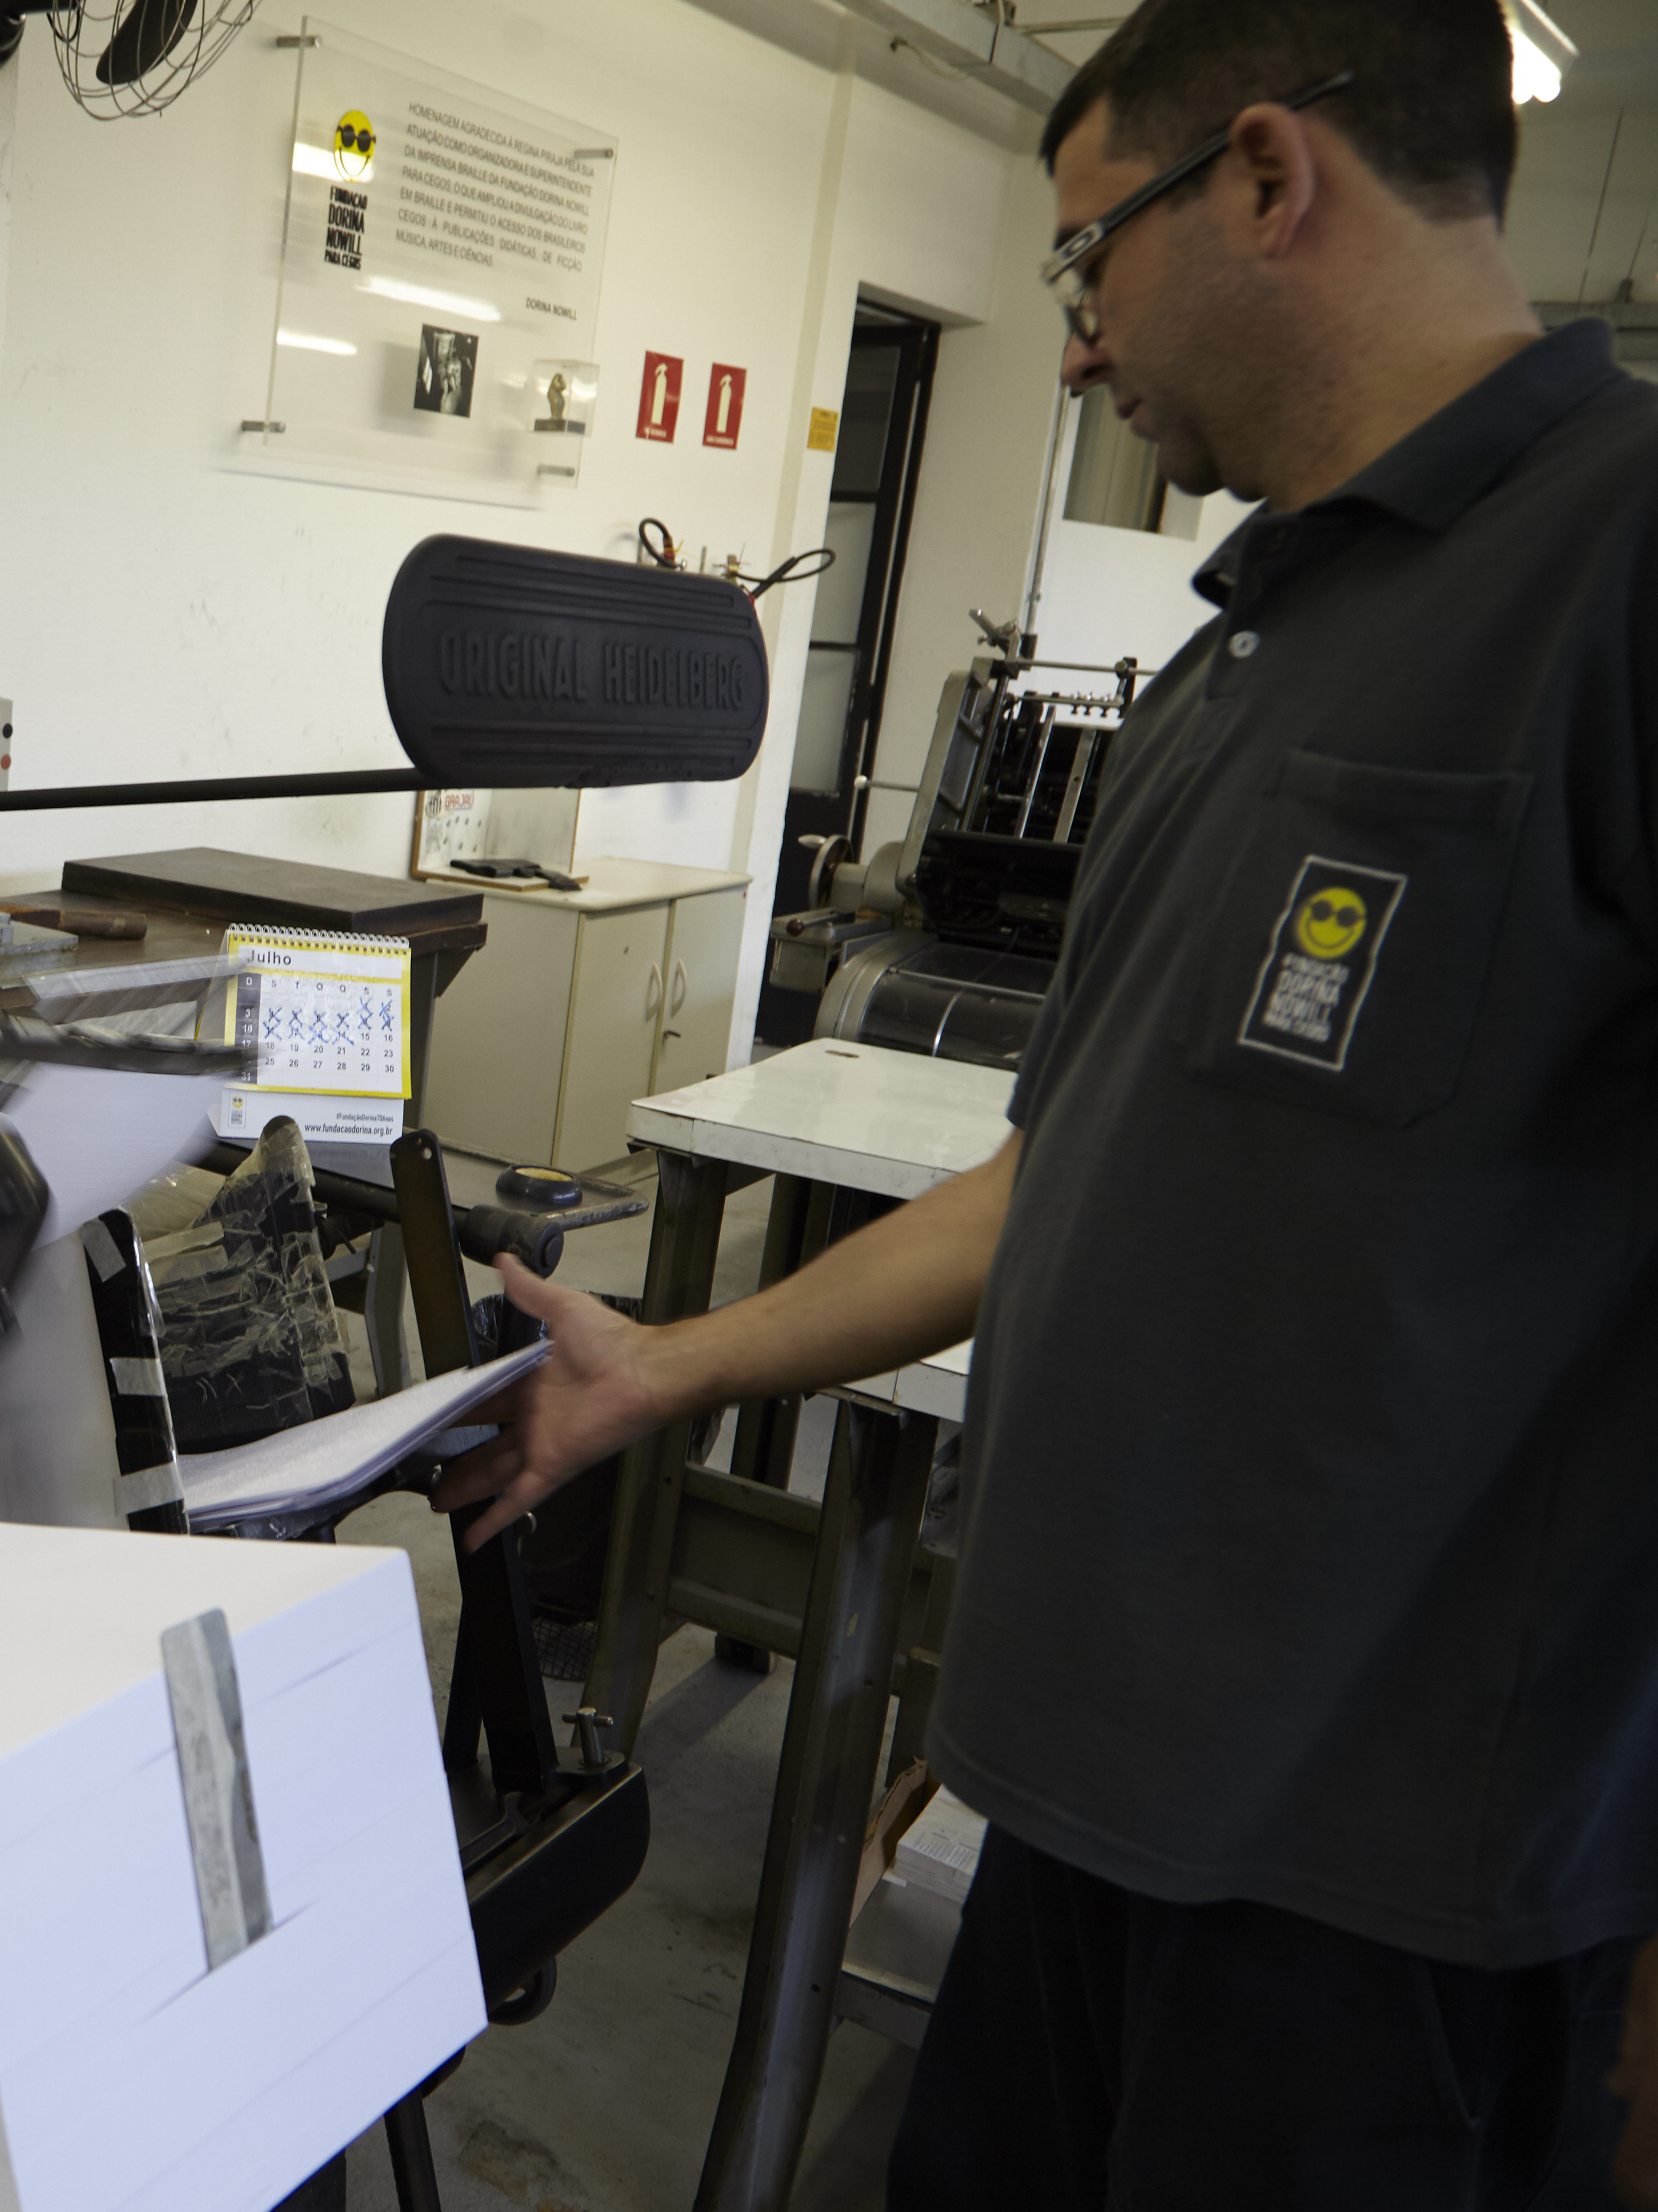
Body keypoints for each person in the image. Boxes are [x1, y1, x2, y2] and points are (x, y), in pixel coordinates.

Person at [432, 1, 1658, 2202]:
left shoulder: (1620, 567)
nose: (1074, 345)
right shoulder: (1245, 643)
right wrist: (665, 1366)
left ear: (1269, 181)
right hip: (1078, 1815)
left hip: (1387, 1925)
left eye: (1088, 260)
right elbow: (1053, 1177)